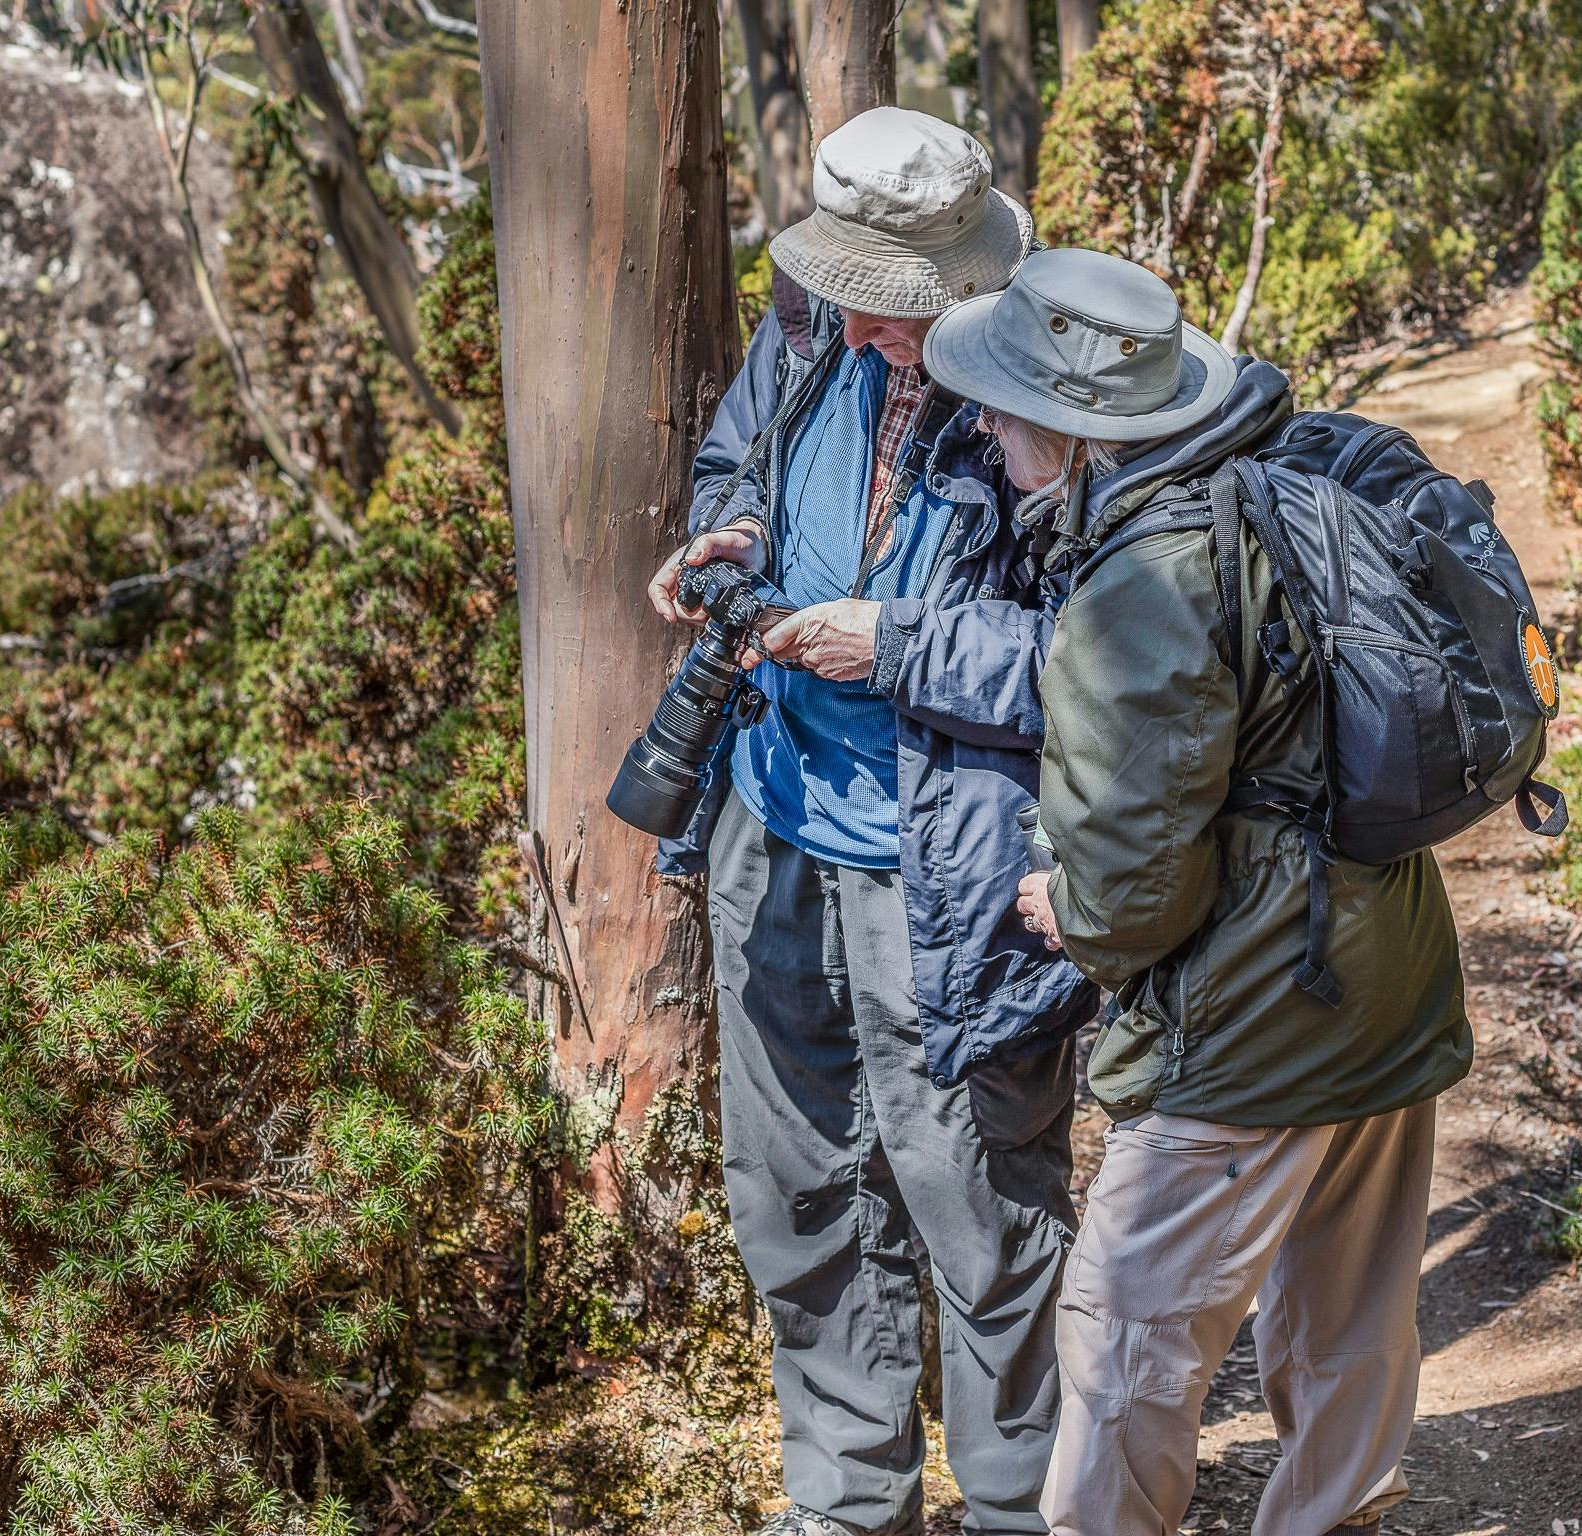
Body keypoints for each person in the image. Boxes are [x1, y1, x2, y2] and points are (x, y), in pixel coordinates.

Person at [921, 247, 1471, 1536]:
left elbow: (1130, 882)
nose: (986, 421)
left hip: (1250, 1025)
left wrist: (1071, 909)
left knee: (1124, 1339)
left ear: (1074, 428)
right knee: (1352, 1311)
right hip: (1380, 968)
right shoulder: (1270, 485)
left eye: (1005, 402)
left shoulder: (1144, 582)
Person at [647, 109, 1098, 1536]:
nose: (866, 328)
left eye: (898, 306)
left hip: (949, 861)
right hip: (771, 823)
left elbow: (1104, 659)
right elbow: (735, 464)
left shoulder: (1054, 388)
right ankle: (847, 1505)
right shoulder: (802, 329)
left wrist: (894, 643)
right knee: (794, 1190)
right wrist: (723, 535)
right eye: (856, 295)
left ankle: (1023, 1506)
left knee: (983, 1206)